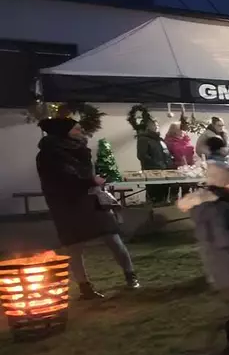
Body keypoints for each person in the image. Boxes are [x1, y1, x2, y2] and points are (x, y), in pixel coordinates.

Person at [35, 117, 139, 298]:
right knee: (75, 246)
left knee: (112, 237)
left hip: (92, 199)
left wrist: (93, 182)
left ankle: (131, 276)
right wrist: (91, 181)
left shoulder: (81, 149)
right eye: (76, 129)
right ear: (63, 132)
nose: (80, 132)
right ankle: (85, 288)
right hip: (68, 204)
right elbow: (63, 178)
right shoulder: (49, 154)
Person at [177, 159, 229, 349]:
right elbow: (227, 240)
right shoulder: (219, 210)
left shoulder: (209, 207)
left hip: (219, 265)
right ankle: (228, 337)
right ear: (226, 184)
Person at [135, 118, 171, 204]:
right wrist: (157, 164)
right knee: (154, 196)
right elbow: (142, 155)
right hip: (152, 172)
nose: (157, 127)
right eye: (155, 125)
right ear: (148, 127)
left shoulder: (159, 140)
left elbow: (165, 153)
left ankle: (163, 210)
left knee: (164, 195)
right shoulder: (143, 139)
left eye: (158, 125)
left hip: (164, 171)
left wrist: (169, 163)